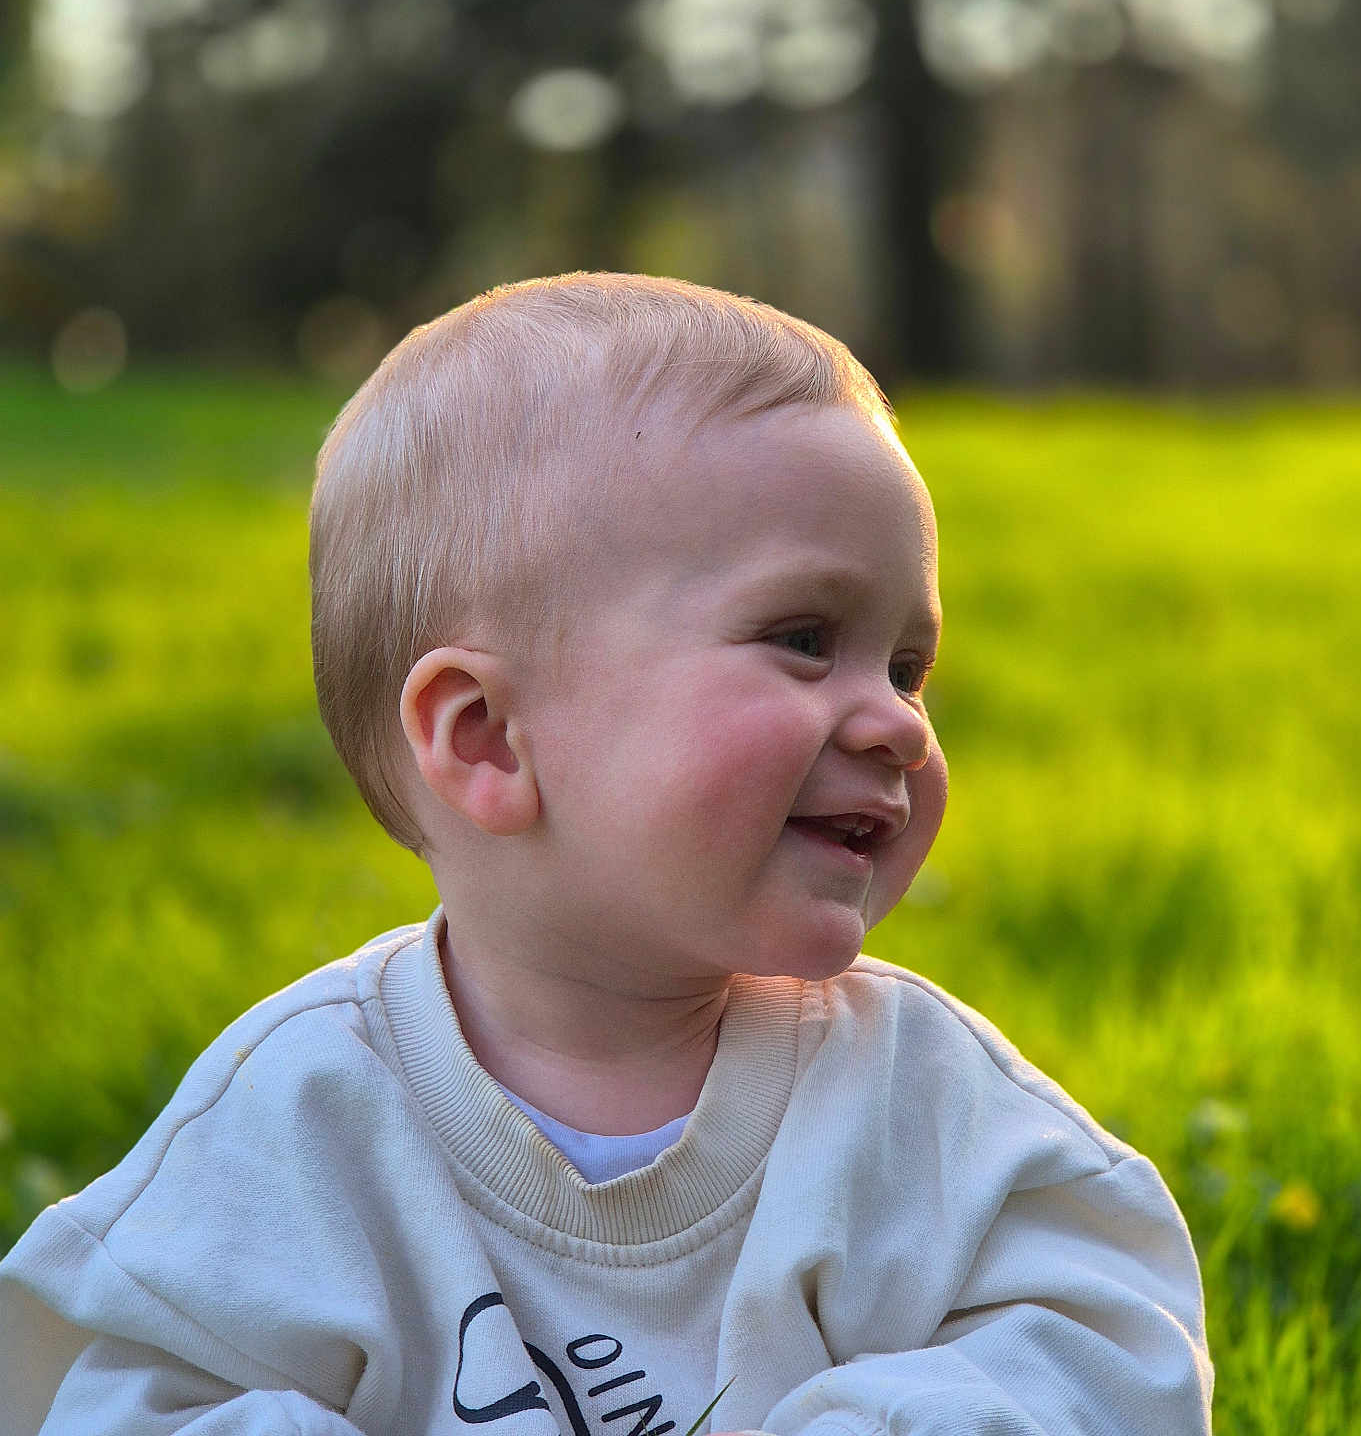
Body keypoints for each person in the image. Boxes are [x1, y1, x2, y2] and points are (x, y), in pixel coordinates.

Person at [0, 273, 1212, 1435]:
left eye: (906, 666)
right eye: (804, 639)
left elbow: (1116, 1352)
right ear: (489, 739)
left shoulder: (915, 1097)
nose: (898, 722)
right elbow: (114, 1399)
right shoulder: (302, 1121)